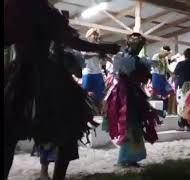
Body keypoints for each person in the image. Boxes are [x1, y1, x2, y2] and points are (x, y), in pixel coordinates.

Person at [4, 1, 120, 179]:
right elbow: (71, 41)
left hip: (22, 74)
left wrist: (101, 47)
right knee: (68, 129)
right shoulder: (42, 12)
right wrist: (102, 47)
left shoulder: (16, 9)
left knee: (10, 134)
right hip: (44, 76)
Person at [105, 33, 161, 167]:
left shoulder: (137, 60)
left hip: (134, 93)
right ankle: (126, 158)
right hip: (125, 94)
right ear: (130, 44)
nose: (138, 48)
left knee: (134, 123)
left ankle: (131, 157)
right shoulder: (122, 58)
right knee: (129, 124)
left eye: (140, 46)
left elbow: (142, 78)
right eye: (137, 45)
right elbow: (123, 75)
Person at [173, 48, 190, 131]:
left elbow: (175, 74)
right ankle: (189, 125)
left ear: (184, 55)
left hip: (182, 86)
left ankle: (181, 125)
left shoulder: (180, 63)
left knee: (181, 105)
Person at [81, 28, 107, 106]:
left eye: (97, 36)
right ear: (89, 36)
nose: (96, 37)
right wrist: (96, 54)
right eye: (94, 35)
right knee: (86, 93)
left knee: (100, 94)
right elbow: (84, 56)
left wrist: (108, 59)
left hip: (98, 72)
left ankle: (100, 110)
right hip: (88, 73)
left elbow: (103, 58)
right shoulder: (84, 45)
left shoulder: (98, 47)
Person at [150, 46, 174, 112]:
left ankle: (165, 110)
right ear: (162, 51)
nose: (166, 55)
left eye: (167, 54)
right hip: (156, 77)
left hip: (163, 77)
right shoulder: (155, 56)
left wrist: (173, 74)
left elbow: (167, 68)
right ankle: (155, 110)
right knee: (157, 94)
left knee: (170, 91)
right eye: (166, 53)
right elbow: (153, 66)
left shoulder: (165, 58)